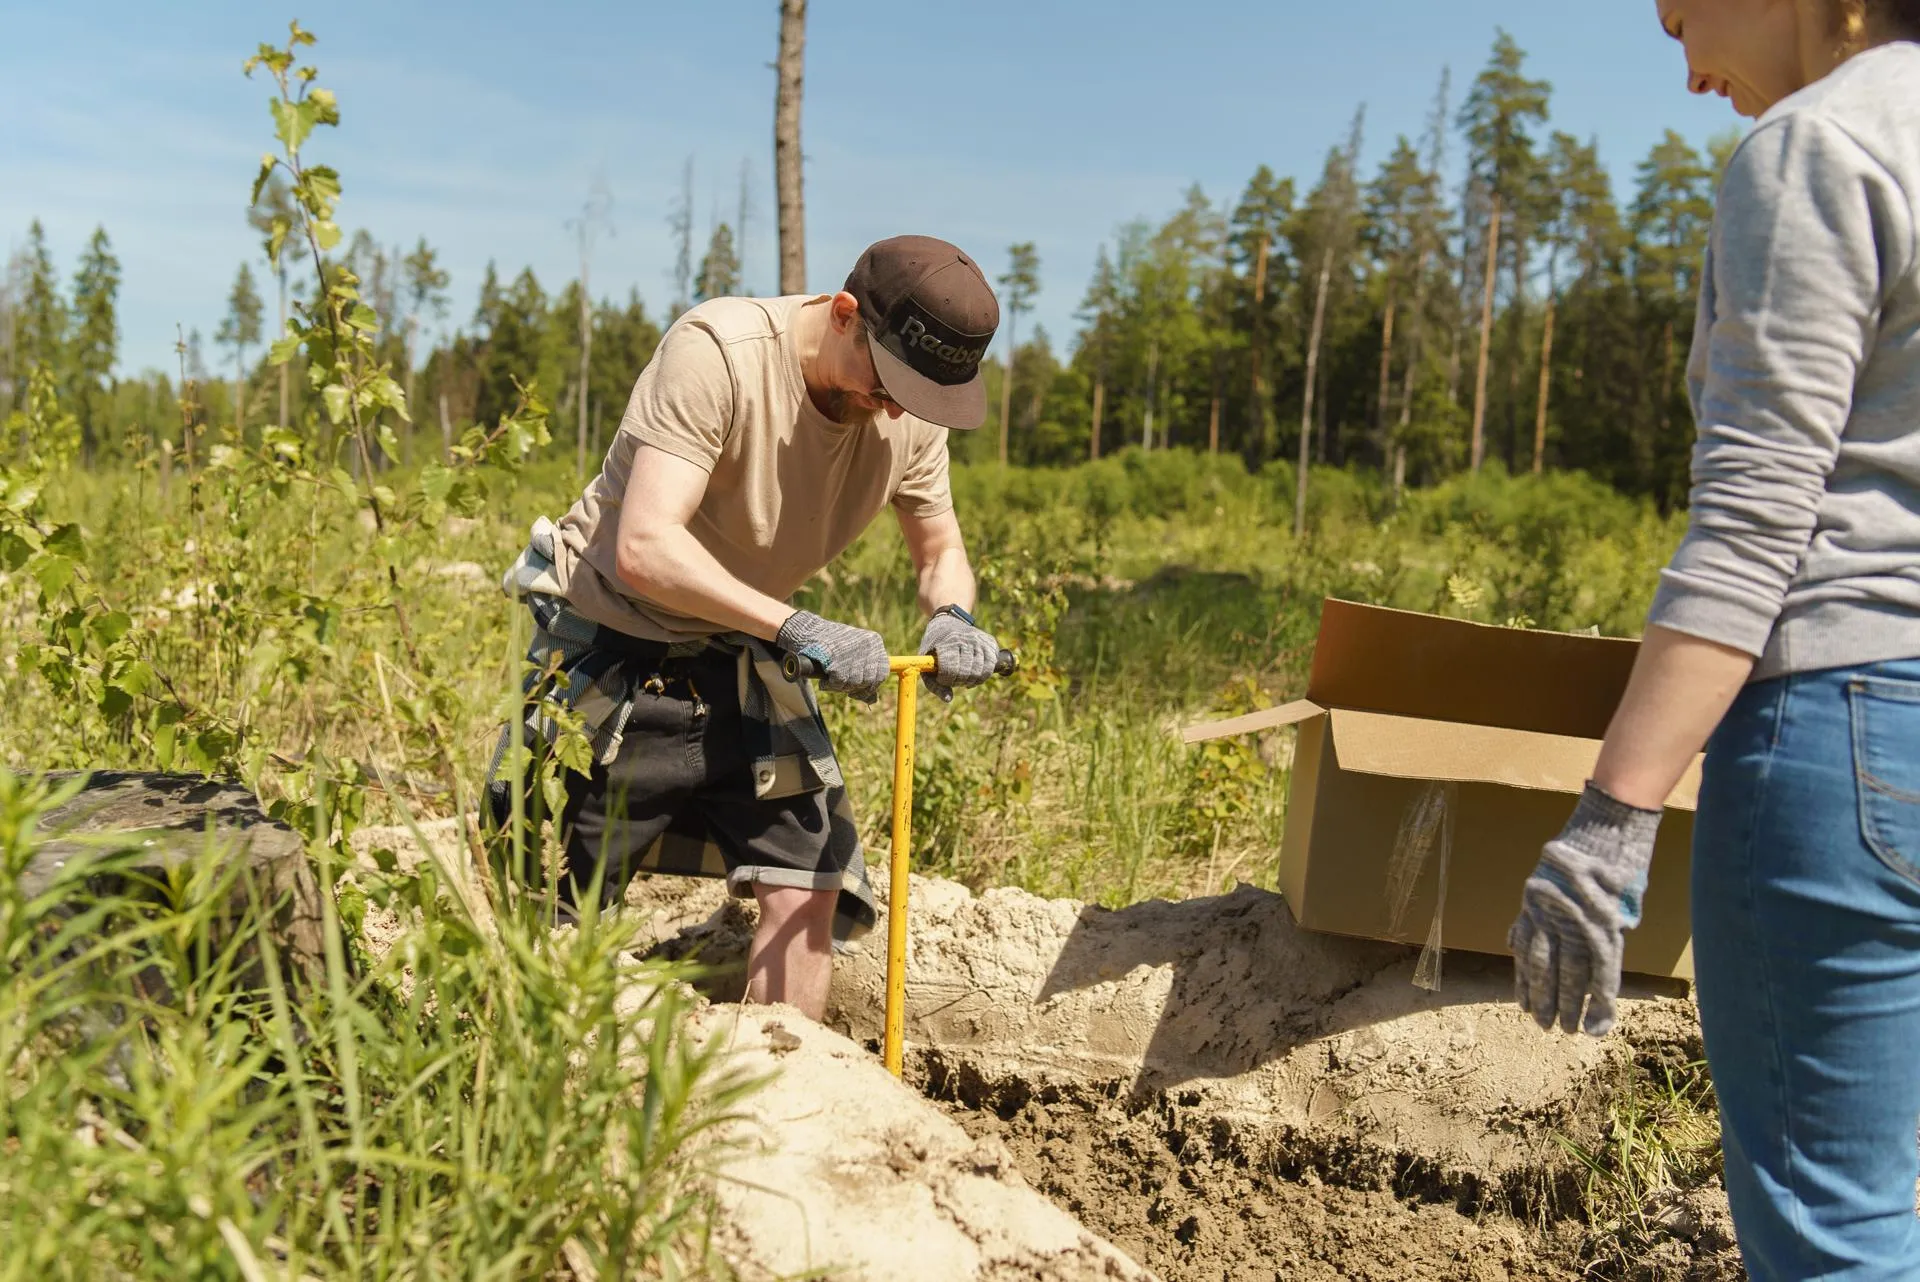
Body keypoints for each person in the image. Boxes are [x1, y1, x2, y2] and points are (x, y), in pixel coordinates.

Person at [1506, 2, 1920, 1276]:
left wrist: (1612, 822)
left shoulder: (1820, 149)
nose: (1686, 71)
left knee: (1835, 1229)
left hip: (1846, 735)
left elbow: (1755, 525)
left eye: (1682, 12)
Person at [488, 235, 1005, 1023]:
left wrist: (953, 617)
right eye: (890, 382)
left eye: (923, 395)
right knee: (555, 885)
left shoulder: (911, 406)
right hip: (614, 636)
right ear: (843, 315)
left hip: (743, 646)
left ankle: (789, 1087)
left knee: (809, 877)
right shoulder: (719, 353)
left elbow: (940, 549)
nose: (897, 407)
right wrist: (798, 625)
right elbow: (645, 547)